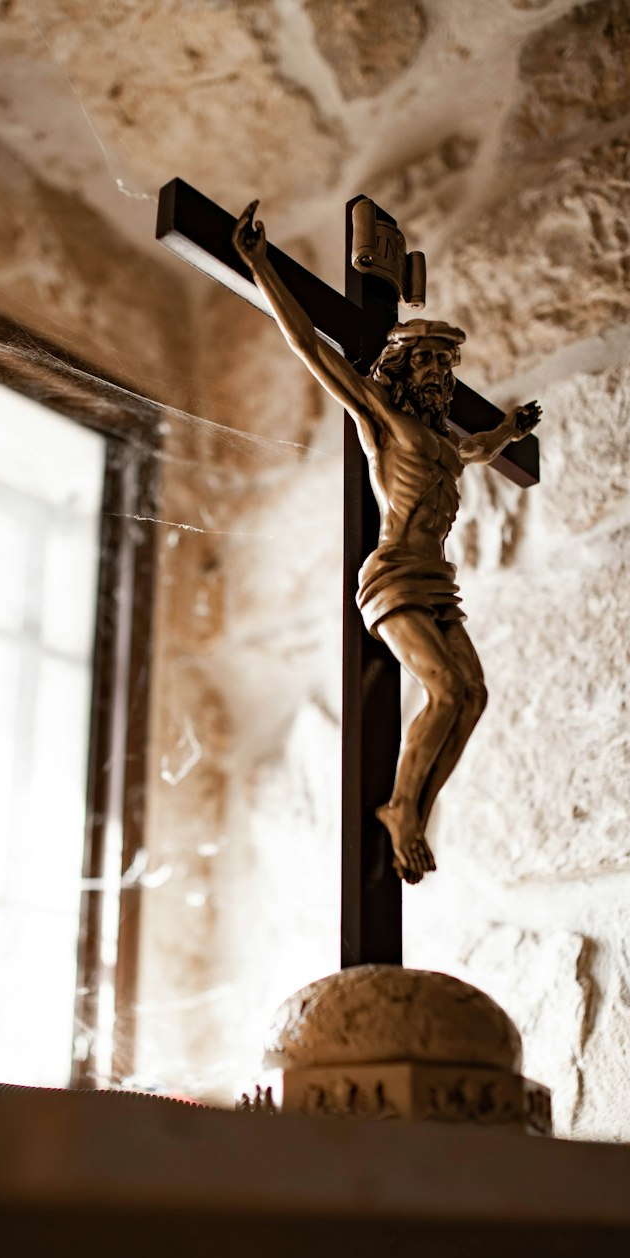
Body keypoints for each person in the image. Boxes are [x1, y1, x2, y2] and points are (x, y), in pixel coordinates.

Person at [233, 200, 541, 883]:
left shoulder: (445, 446)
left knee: (473, 696)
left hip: (438, 581)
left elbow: (483, 445)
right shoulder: (385, 425)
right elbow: (311, 348)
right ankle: (400, 808)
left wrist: (511, 430)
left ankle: (415, 812)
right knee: (440, 690)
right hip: (396, 573)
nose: (438, 374)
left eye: (444, 365)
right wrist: (260, 265)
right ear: (402, 372)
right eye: (427, 363)